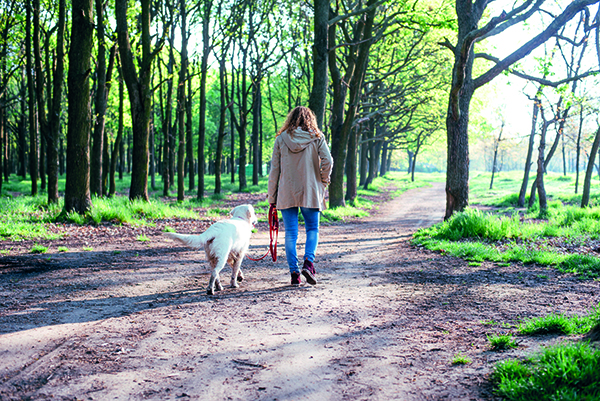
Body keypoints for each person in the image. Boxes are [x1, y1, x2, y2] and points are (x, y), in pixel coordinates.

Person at [267, 106, 333, 286]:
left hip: (286, 191)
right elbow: (328, 161)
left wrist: (272, 198)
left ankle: (294, 273)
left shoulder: (281, 139)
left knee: (290, 233)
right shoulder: (317, 137)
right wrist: (323, 181)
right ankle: (308, 263)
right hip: (311, 190)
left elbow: (274, 170)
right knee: (313, 229)